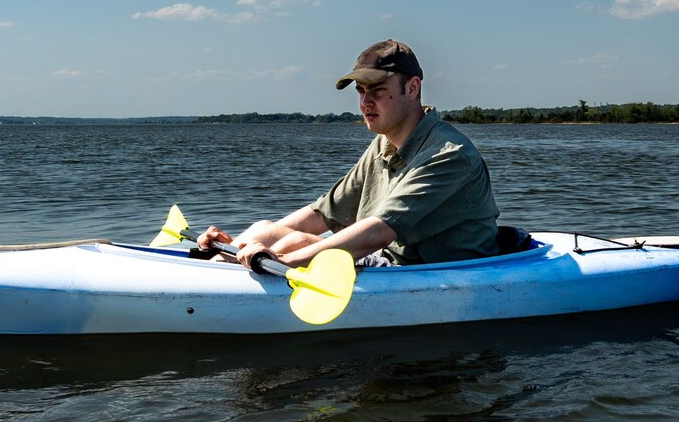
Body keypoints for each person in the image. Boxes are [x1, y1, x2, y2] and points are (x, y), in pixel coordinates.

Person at [198, 39, 500, 269]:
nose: (365, 102)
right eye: (360, 91)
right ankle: (206, 265)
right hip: (392, 263)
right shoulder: (383, 144)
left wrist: (282, 260)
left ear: (412, 88)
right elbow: (323, 214)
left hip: (433, 272)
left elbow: (379, 231)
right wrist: (237, 245)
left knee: (292, 243)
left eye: (377, 89)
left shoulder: (449, 155)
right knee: (264, 228)